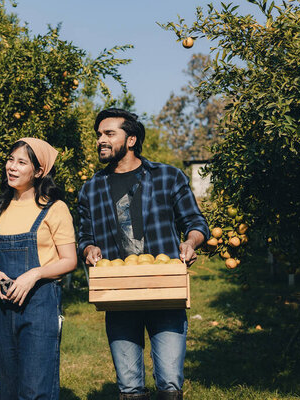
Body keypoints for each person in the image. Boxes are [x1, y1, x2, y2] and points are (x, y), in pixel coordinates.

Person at [78, 108, 209, 400]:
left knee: (170, 385)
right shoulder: (90, 188)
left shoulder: (168, 177)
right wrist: (88, 249)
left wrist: (191, 242)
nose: (101, 139)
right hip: (118, 293)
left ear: (132, 139)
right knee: (129, 388)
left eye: (109, 133)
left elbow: (196, 222)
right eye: (99, 134)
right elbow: (84, 236)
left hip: (165, 290)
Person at [0, 137, 77, 400]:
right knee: (7, 390)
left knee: (36, 390)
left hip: (39, 305)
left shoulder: (55, 209)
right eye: (10, 159)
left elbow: (69, 260)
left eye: (21, 162)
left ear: (38, 172)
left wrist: (34, 274)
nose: (12, 167)